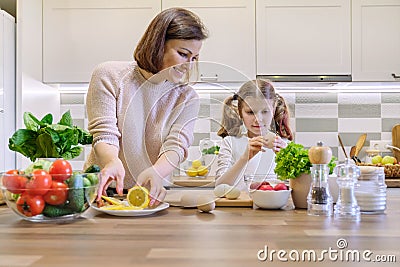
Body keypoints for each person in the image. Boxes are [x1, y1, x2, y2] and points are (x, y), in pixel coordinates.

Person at [84, 8, 208, 207]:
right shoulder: (109, 75)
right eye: (183, 54)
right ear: (158, 45)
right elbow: (104, 133)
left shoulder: (187, 97)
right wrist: (111, 162)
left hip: (149, 195)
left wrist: (157, 172)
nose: (189, 65)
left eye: (194, 58)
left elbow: (176, 145)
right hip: (102, 191)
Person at [215, 79, 293, 190]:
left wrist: (287, 158)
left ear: (274, 109)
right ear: (240, 111)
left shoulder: (284, 145)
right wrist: (244, 158)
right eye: (250, 112)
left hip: (274, 205)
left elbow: (295, 187)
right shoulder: (230, 143)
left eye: (265, 111)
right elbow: (219, 186)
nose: (258, 119)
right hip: (240, 207)